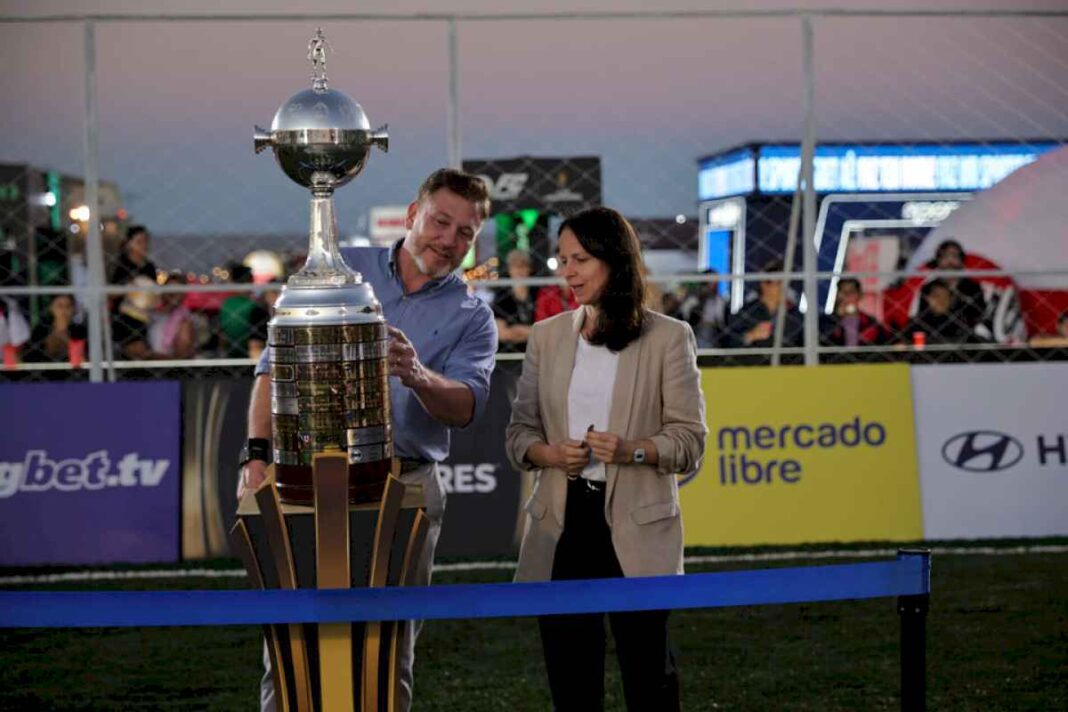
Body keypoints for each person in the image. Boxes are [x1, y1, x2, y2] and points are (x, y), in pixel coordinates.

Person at [239, 168, 496, 712]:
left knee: (389, 652)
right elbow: (273, 366)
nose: (448, 241)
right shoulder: (342, 265)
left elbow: (468, 407)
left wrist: (418, 373)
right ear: (411, 216)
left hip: (405, 484)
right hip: (309, 477)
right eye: (440, 222)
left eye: (464, 234)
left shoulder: (474, 315)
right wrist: (257, 454)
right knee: (291, 646)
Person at [505, 207, 707, 712]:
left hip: (638, 525)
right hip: (562, 524)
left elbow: (689, 442)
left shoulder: (668, 336)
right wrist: (551, 454)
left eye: (581, 259)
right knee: (571, 678)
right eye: (563, 259)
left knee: (649, 677)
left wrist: (630, 450)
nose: (568, 271)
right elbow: (518, 436)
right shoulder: (547, 336)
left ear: (616, 261)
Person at [724, 259, 802, 348]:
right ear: (764, 284)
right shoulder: (746, 313)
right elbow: (727, 342)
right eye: (779, 283)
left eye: (787, 283)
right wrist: (751, 335)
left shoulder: (794, 315)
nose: (784, 288)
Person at [928, 239, 986, 331]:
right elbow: (922, 320)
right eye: (945, 257)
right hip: (935, 337)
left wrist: (956, 299)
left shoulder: (973, 287)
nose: (950, 262)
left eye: (955, 257)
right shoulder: (928, 288)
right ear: (938, 261)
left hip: (966, 338)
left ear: (961, 261)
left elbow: (979, 316)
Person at [898, 278, 976, 345]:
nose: (941, 300)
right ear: (927, 298)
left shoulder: (961, 321)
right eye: (936, 296)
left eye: (945, 296)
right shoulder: (915, 323)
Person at [820, 278, 891, 347]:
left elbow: (884, 344)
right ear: (838, 295)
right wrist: (837, 317)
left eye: (851, 292)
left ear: (859, 295)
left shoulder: (870, 323)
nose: (846, 296)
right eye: (843, 292)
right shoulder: (826, 321)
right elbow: (823, 341)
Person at [218, 263, 269, 359]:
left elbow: (222, 339)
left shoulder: (225, 305)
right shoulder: (255, 308)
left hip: (229, 359)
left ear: (232, 282)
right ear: (250, 281)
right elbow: (255, 346)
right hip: (250, 361)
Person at [493, 249, 537, 352]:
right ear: (509, 270)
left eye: (523, 265)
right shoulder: (502, 296)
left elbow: (547, 332)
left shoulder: (537, 293)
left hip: (536, 352)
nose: (519, 270)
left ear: (529, 269)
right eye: (515, 266)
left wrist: (515, 330)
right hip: (509, 354)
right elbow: (502, 334)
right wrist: (531, 332)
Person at [112, 275, 164, 360]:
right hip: (130, 317)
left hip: (137, 318)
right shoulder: (138, 283)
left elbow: (157, 302)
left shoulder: (144, 283)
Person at [24, 294, 87, 363]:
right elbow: (29, 356)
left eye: (68, 306)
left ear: (74, 309)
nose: (64, 310)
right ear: (51, 308)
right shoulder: (41, 330)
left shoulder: (80, 331)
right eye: (60, 306)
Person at [149, 270, 197, 359]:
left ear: (183, 294)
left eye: (177, 289)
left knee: (185, 326)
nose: (173, 293)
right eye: (170, 288)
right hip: (152, 357)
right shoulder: (151, 311)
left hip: (173, 358)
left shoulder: (185, 316)